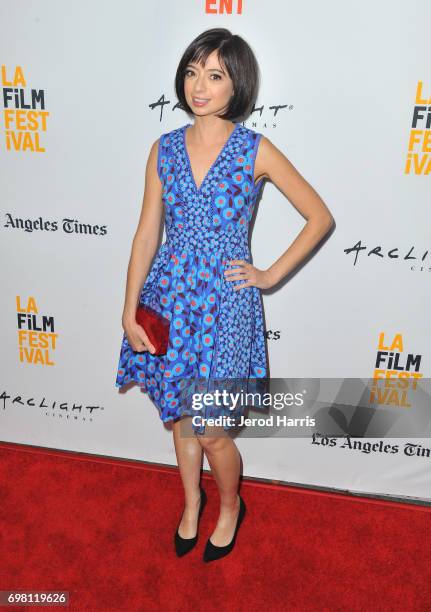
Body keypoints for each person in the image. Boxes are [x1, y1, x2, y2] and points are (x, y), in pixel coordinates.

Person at [115, 28, 334, 562]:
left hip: (226, 306)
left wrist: (269, 275)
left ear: (238, 84)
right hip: (168, 296)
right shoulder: (163, 148)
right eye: (192, 71)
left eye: (215, 75)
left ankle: (231, 506)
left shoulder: (253, 148)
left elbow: (319, 217)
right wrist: (128, 307)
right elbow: (147, 233)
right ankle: (191, 503)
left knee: (212, 431)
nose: (200, 85)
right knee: (180, 416)